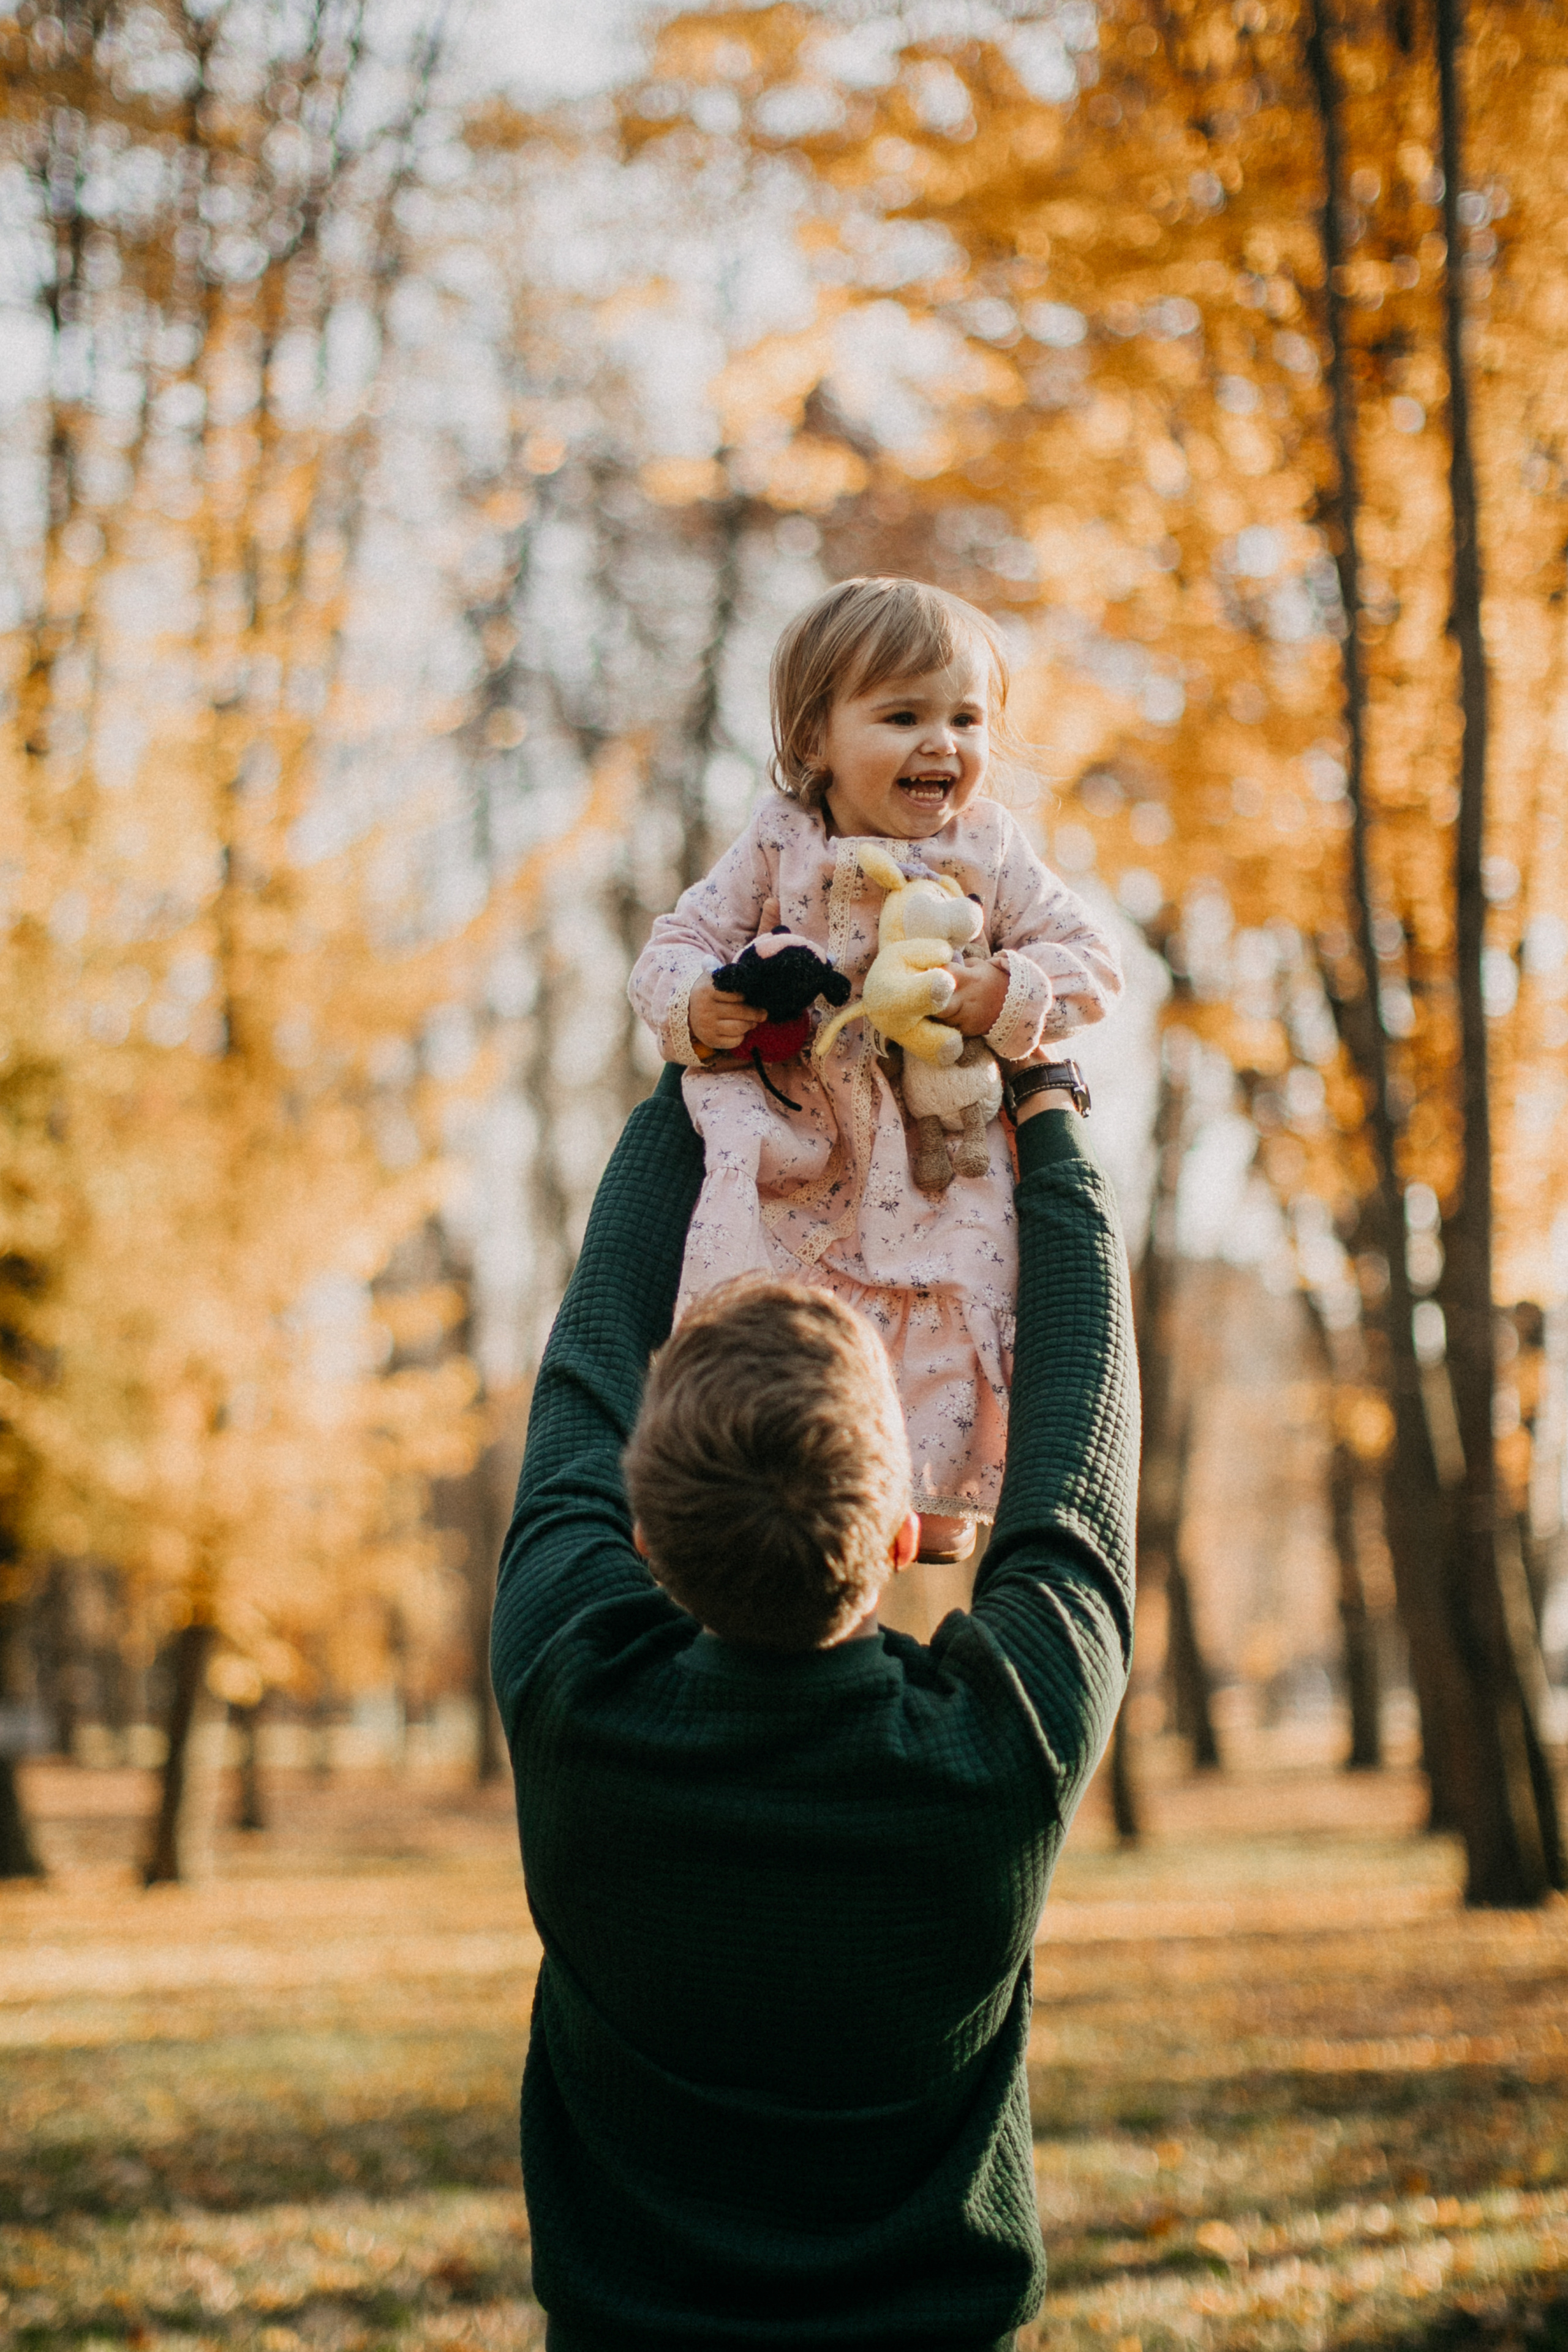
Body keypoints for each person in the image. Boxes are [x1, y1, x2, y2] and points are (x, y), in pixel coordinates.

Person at [491, 1061, 1137, 2352]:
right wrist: (1045, 1114)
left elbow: (583, 1361)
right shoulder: (993, 1757)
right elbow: (1076, 1450)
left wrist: (703, 1067)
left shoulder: (574, 1698)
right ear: (904, 1533)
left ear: (646, 1525)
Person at [628, 576, 1121, 1564]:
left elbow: (1094, 967)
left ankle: (933, 1489)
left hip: (935, 1145)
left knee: (957, 1281)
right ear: (816, 739)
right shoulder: (780, 840)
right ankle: (721, 1478)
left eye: (966, 718)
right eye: (903, 716)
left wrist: (1004, 992)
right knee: (751, 1294)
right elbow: (676, 942)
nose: (943, 744)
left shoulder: (989, 848)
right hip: (799, 1142)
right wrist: (698, 1001)